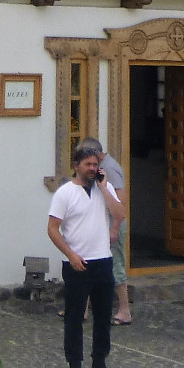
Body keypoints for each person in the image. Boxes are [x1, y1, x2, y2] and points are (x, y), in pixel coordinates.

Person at [47, 144, 125, 368]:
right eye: (88, 165)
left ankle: (99, 363)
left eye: (95, 165)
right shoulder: (65, 193)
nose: (92, 169)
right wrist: (71, 255)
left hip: (103, 260)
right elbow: (52, 229)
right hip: (77, 263)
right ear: (76, 166)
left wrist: (104, 188)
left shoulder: (105, 188)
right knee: (74, 316)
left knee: (103, 316)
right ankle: (74, 366)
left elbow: (120, 214)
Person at [75, 139, 133, 324]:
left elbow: (121, 203)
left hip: (111, 226)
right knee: (89, 265)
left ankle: (124, 311)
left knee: (115, 267)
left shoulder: (109, 168)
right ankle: (82, 310)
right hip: (99, 225)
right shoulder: (97, 169)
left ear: (98, 155)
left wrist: (114, 229)